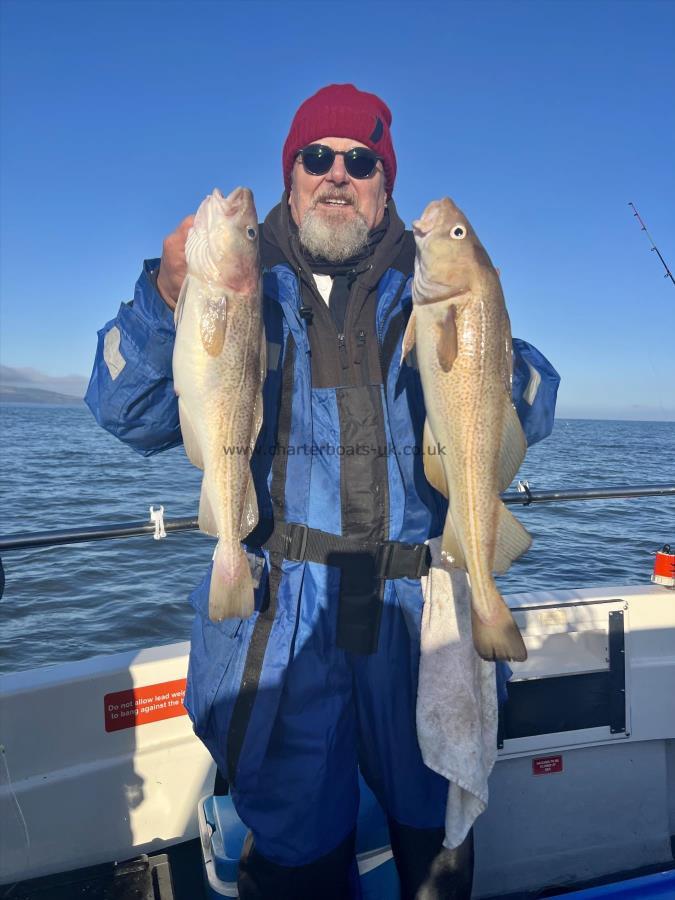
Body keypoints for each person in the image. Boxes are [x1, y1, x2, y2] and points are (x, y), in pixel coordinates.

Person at [86, 83, 560, 899]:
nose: (336, 175)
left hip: (417, 616)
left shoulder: (434, 284)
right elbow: (126, 412)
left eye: (360, 161)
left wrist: (485, 343)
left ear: (385, 185)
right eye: (316, 158)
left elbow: (536, 403)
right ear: (290, 174)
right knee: (296, 850)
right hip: (280, 613)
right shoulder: (240, 282)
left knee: (435, 832)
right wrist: (163, 300)